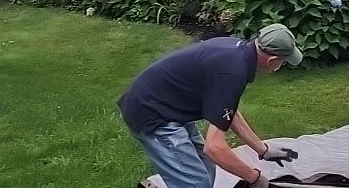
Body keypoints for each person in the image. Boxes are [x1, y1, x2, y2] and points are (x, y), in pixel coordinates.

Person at [119, 24, 303, 188]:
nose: (281, 65)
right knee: (196, 183)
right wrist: (254, 178)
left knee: (206, 170)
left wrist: (263, 150)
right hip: (151, 114)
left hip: (170, 107)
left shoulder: (236, 51)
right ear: (272, 60)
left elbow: (229, 112)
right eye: (283, 61)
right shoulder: (233, 72)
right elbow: (214, 147)